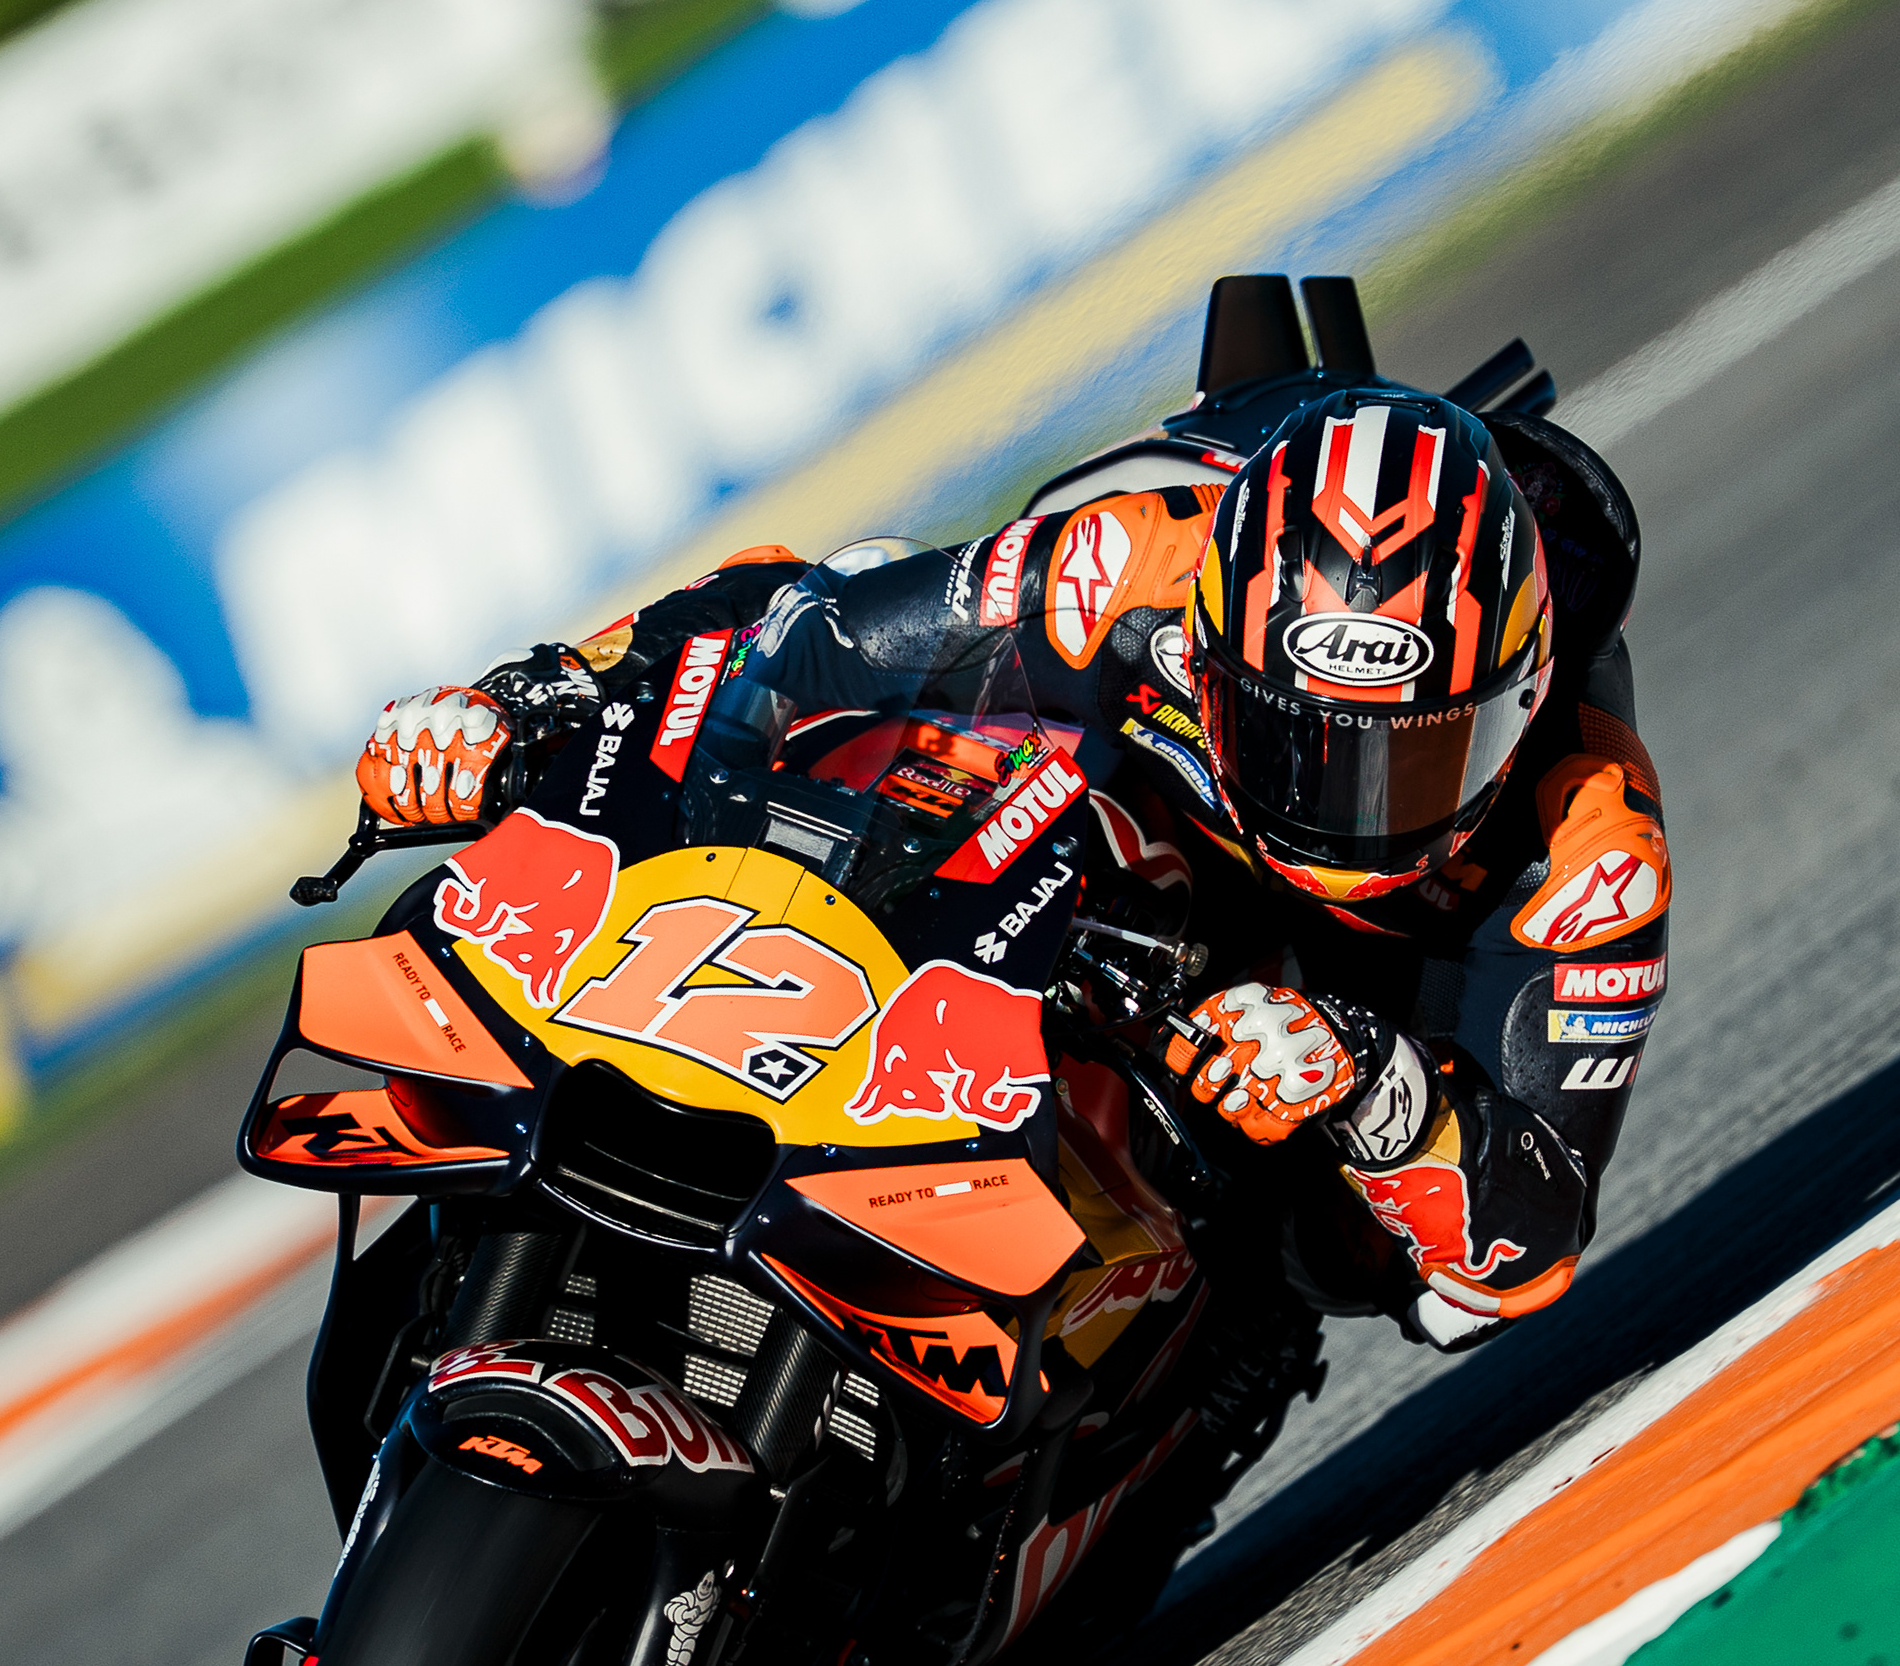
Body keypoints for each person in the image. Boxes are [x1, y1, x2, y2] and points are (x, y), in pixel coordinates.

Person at [354, 293, 1666, 1373]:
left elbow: (1518, 1253)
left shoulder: (1590, 840)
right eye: (1296, 735)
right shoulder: (1120, 571)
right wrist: (527, 703)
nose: (1346, 801)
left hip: (1355, 993)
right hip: (1105, 808)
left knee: (1386, 1271)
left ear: (1519, 698)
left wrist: (1373, 1085)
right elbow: (793, 629)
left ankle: (1163, 1316)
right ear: (1211, 649)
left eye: (1415, 755)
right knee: (854, 610)